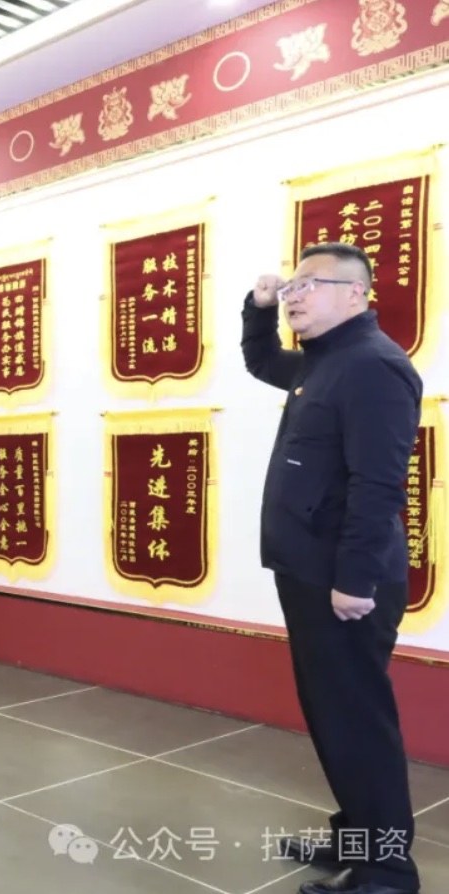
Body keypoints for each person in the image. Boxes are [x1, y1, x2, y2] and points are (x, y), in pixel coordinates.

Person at [242, 243, 421, 894]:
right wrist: (259, 308)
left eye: (307, 284)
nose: (294, 295)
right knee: (333, 718)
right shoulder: (324, 362)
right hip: (309, 570)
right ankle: (357, 838)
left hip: (342, 581)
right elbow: (262, 360)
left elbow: (378, 485)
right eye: (291, 285)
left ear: (355, 294)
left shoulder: (374, 366)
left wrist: (355, 580)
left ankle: (387, 872)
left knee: (356, 725)